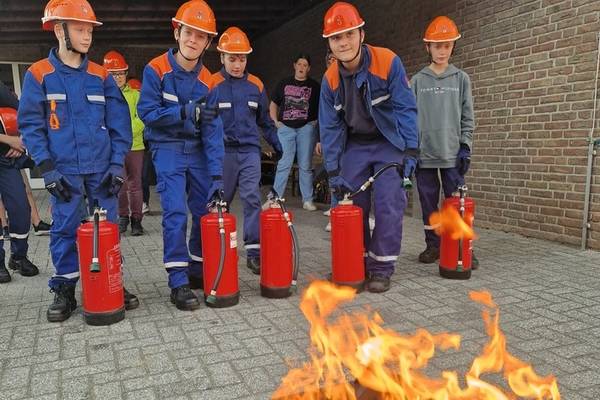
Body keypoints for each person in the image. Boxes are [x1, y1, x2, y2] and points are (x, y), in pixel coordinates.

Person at [18, 0, 139, 322]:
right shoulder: (39, 75)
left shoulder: (101, 76)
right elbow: (31, 125)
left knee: (107, 230)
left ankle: (112, 282)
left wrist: (116, 166)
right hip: (64, 171)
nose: (87, 36)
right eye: (80, 29)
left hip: (101, 170)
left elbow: (120, 125)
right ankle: (65, 289)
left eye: (90, 30)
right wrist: (47, 169)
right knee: (64, 229)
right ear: (60, 30)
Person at [319, 2, 419, 293]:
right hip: (356, 145)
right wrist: (333, 171)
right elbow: (330, 128)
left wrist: (411, 150)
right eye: (336, 37)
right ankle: (354, 262)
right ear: (329, 43)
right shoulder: (330, 80)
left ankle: (381, 268)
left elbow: (405, 108)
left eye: (349, 34)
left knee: (389, 202)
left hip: (388, 143)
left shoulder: (388, 61)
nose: (343, 42)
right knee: (348, 203)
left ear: (361, 34)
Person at [137, 0, 224, 311]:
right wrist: (185, 112)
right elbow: (147, 113)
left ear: (208, 43)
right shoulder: (156, 69)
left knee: (203, 212)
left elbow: (213, 132)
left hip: (198, 151)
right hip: (168, 148)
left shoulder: (210, 81)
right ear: (177, 33)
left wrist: (217, 176)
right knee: (175, 213)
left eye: (201, 36)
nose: (193, 40)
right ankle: (177, 281)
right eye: (189, 33)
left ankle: (196, 270)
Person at [212, 27, 282, 275]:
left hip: (250, 151)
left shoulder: (256, 85)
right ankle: (219, 251)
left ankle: (254, 253)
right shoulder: (211, 84)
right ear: (222, 57)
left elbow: (265, 121)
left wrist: (276, 143)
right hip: (223, 153)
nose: (237, 65)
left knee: (252, 198)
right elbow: (203, 123)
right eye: (232, 59)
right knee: (220, 201)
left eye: (242, 59)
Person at [410, 16, 478, 268]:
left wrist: (465, 145)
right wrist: (411, 149)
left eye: (447, 45)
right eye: (437, 46)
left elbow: (468, 116)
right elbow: (409, 118)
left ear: (453, 47)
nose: (442, 51)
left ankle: (460, 247)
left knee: (456, 204)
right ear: (427, 47)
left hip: (452, 154)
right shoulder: (417, 81)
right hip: (425, 154)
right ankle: (433, 246)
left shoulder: (461, 79)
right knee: (429, 204)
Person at [269, 54, 320, 210]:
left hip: (306, 128)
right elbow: (273, 104)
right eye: (299, 64)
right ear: (294, 65)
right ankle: (275, 199)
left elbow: (322, 106)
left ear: (309, 68)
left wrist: (315, 122)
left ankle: (307, 200)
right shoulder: (284, 83)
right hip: (286, 128)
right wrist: (275, 122)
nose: (301, 67)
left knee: (305, 164)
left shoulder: (314, 86)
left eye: (305, 65)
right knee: (284, 162)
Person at [103, 50, 146, 236]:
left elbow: (142, 118)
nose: (118, 77)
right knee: (119, 184)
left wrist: (123, 132)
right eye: (113, 74)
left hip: (135, 146)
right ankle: (123, 217)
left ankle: (137, 220)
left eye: (121, 73)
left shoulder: (136, 95)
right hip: (114, 148)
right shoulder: (103, 95)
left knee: (135, 185)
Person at [0, 100, 39, 284]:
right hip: (6, 146)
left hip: (5, 159)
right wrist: (8, 139)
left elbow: (26, 111)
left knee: (21, 209)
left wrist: (20, 138)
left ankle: (18, 257)